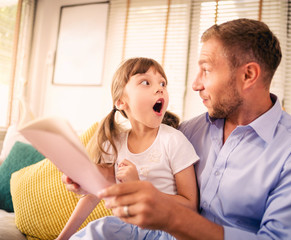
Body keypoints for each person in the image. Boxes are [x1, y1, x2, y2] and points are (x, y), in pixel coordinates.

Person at [64, 18, 291, 239]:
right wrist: (92, 182)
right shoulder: (187, 132)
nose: (195, 84)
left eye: (206, 70)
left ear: (248, 75)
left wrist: (173, 217)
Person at [57, 57, 199, 240]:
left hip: (166, 232)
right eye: (146, 82)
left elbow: (191, 206)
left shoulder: (174, 141)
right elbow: (94, 196)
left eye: (163, 83)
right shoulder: (115, 143)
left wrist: (138, 188)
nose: (160, 88)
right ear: (121, 102)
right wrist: (62, 238)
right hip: (125, 228)